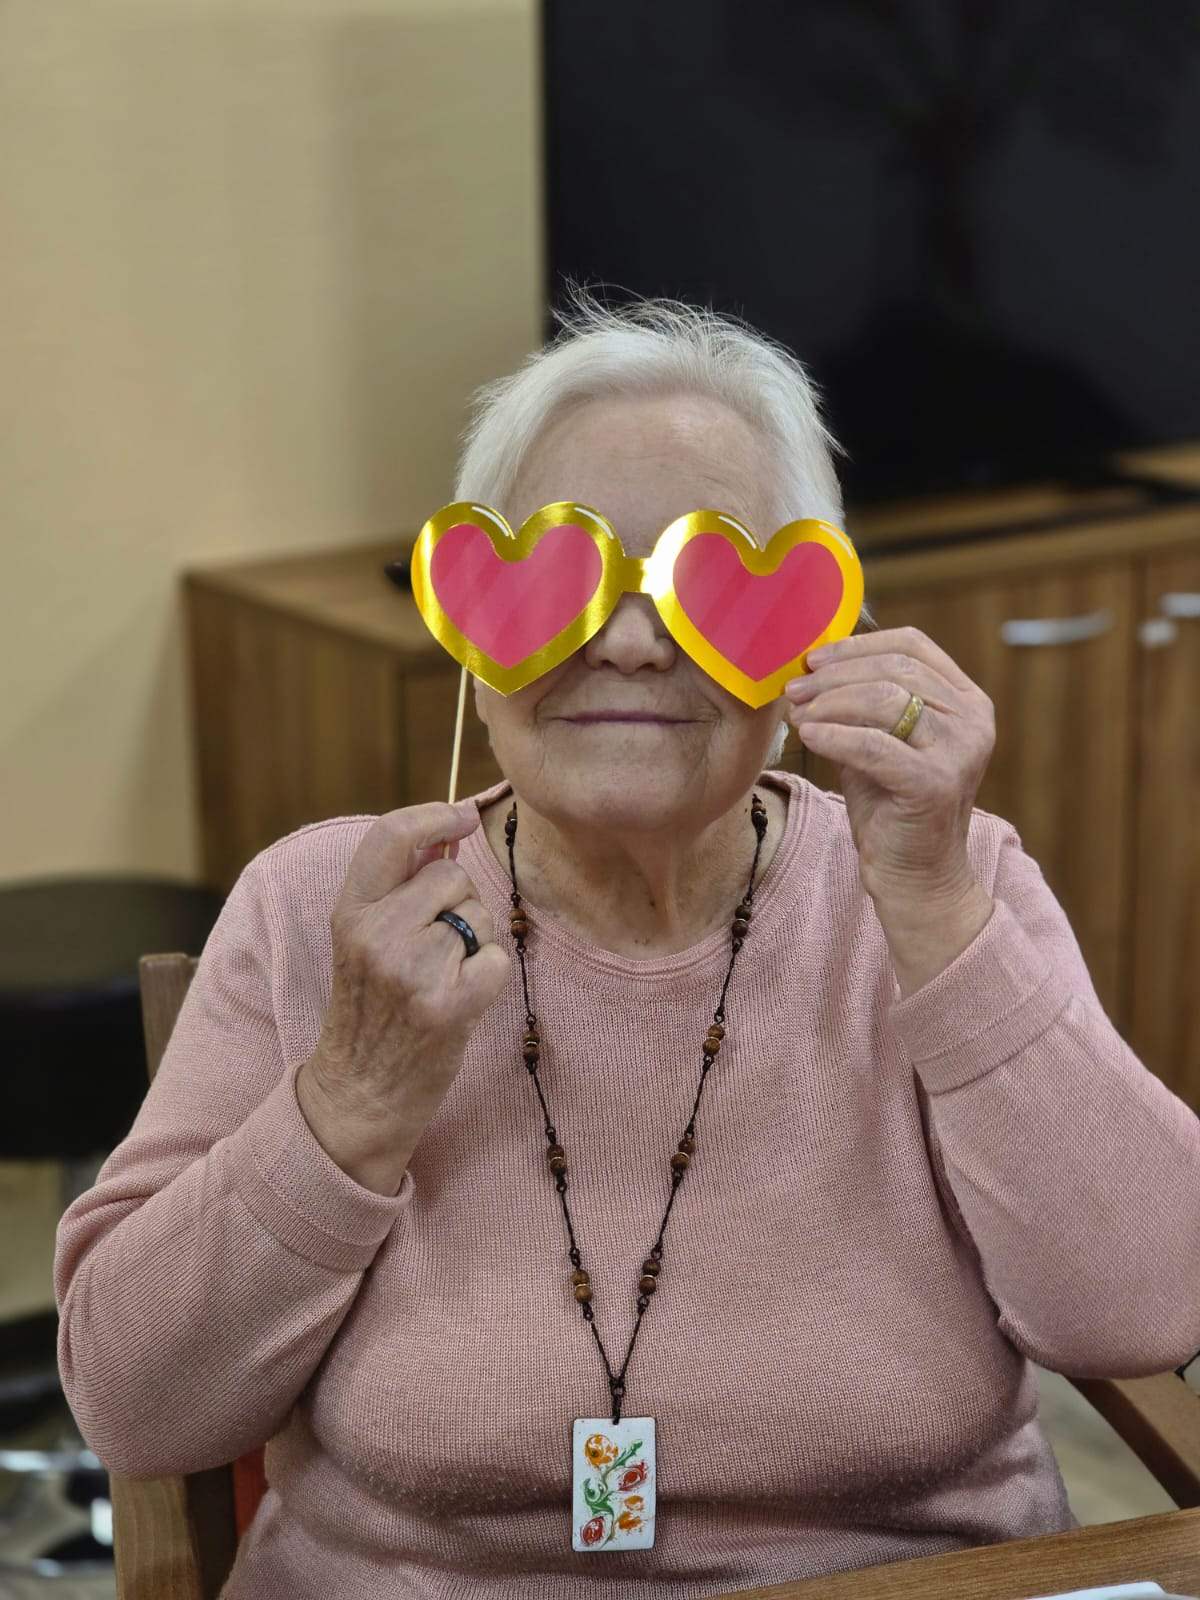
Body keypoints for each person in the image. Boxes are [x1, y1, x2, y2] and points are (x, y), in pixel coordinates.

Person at [54, 293, 1200, 1597]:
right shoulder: (323, 905)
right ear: (470, 613)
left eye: (709, 585)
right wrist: (351, 1099)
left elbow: (1149, 1307)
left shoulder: (942, 882)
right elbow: (136, 1405)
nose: (634, 642)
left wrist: (934, 908)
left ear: (811, 639)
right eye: (565, 574)